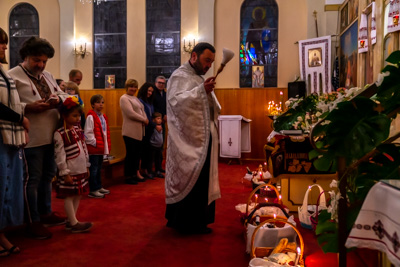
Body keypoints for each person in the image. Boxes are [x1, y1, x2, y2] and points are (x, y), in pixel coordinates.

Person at [8, 36, 69, 240]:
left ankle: (45, 212)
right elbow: (8, 107)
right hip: (30, 139)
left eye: (44, 61)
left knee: (46, 178)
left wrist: (56, 99)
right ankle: (32, 221)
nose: (41, 65)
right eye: (37, 60)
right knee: (31, 182)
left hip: (51, 136)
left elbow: (64, 95)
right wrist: (29, 107)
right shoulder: (12, 76)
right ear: (25, 56)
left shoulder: (48, 76)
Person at [165, 42, 221, 234]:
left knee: (203, 180)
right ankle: (184, 223)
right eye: (207, 60)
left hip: (203, 138)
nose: (208, 66)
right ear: (194, 56)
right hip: (187, 142)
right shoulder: (179, 76)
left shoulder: (197, 77)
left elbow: (210, 107)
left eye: (211, 62)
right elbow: (175, 102)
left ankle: (200, 221)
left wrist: (205, 94)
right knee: (193, 179)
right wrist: (200, 92)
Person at [0, 27, 29, 256]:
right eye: (1, 43)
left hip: (8, 136)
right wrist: (20, 118)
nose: (5, 47)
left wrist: (20, 125)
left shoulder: (3, 74)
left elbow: (13, 102)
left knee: (7, 186)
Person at [54, 96, 92, 233]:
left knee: (78, 194)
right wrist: (64, 172)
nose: (77, 118)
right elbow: (60, 155)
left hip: (80, 168)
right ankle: (74, 222)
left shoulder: (77, 130)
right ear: (64, 115)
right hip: (70, 170)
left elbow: (84, 147)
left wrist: (87, 165)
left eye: (79, 116)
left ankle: (72, 220)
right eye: (74, 115)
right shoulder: (60, 133)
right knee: (69, 195)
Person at [119, 79, 148, 184]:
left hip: (139, 131)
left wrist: (145, 118)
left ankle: (134, 174)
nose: (133, 89)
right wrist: (143, 119)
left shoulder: (135, 98)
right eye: (131, 86)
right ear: (127, 87)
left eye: (135, 87)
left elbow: (142, 110)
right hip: (129, 131)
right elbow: (130, 113)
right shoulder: (124, 98)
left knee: (137, 155)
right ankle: (128, 176)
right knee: (130, 155)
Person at [84, 94, 111, 198]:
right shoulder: (91, 116)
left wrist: (105, 145)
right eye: (98, 102)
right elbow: (87, 133)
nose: (101, 104)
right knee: (94, 169)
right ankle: (93, 189)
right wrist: (95, 143)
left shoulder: (103, 116)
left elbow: (104, 132)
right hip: (94, 148)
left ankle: (99, 186)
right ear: (92, 104)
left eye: (102, 102)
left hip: (100, 147)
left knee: (99, 168)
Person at [137, 82, 158, 179]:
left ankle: (146, 169)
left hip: (150, 129)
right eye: (148, 90)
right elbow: (145, 117)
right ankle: (143, 170)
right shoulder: (140, 101)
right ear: (144, 90)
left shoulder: (149, 102)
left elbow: (152, 115)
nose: (149, 93)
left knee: (149, 151)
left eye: (151, 91)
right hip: (144, 130)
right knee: (143, 151)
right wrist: (154, 125)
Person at [152, 75, 167, 173]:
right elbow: (152, 108)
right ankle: (153, 168)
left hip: (163, 121)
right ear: (155, 83)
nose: (161, 85)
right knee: (154, 147)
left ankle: (159, 167)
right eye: (159, 83)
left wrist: (166, 115)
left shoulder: (165, 94)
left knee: (161, 145)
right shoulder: (152, 93)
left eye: (163, 83)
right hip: (154, 123)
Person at [149, 112, 164, 178]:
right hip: (153, 146)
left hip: (159, 146)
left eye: (160, 118)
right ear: (153, 120)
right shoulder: (152, 127)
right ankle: (150, 172)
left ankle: (158, 171)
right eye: (158, 118)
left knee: (158, 159)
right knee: (151, 159)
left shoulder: (162, 126)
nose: (160, 120)